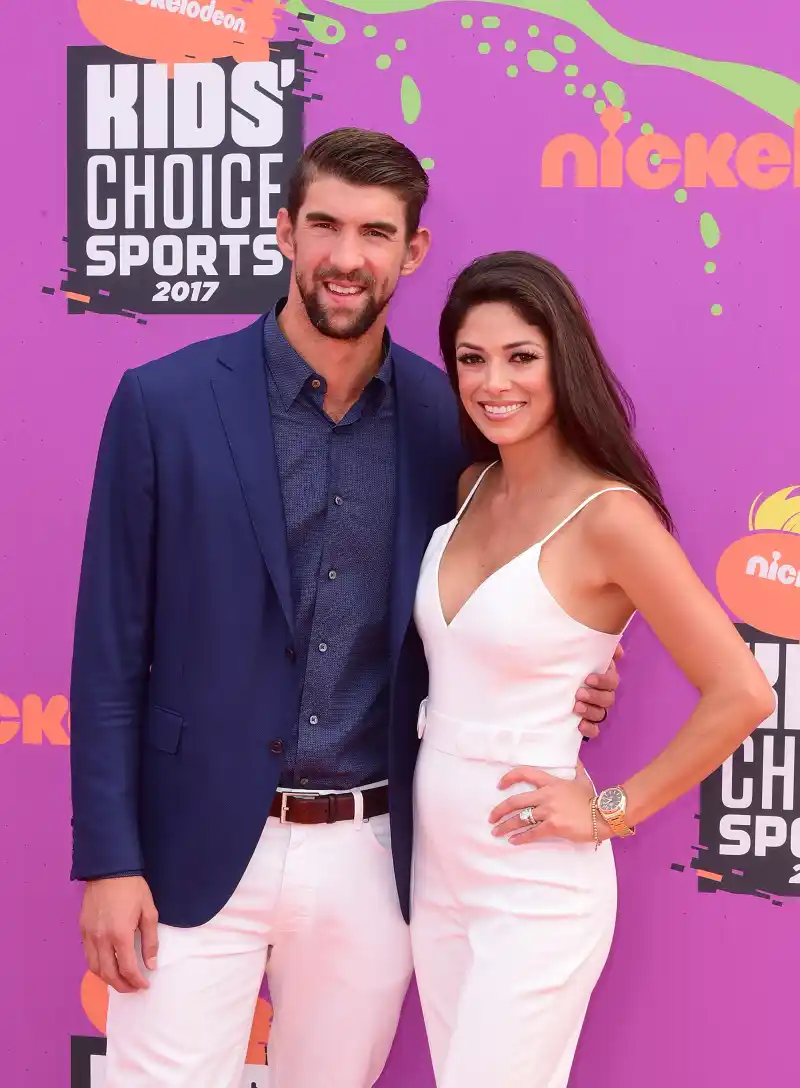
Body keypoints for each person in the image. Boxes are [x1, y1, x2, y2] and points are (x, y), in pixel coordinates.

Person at [69, 132, 619, 1088]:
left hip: (374, 852)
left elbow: (514, 578)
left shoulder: (452, 417)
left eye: (375, 232)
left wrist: (578, 667)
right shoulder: (163, 403)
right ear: (284, 231)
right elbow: (108, 654)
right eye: (323, 223)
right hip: (189, 849)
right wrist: (110, 861)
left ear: (412, 252)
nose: (345, 256)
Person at [409, 250, 776, 1088]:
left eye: (520, 357)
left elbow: (742, 692)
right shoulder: (471, 487)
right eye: (471, 359)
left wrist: (612, 808)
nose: (493, 382)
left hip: (534, 885)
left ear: (561, 360)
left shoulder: (612, 517)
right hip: (437, 870)